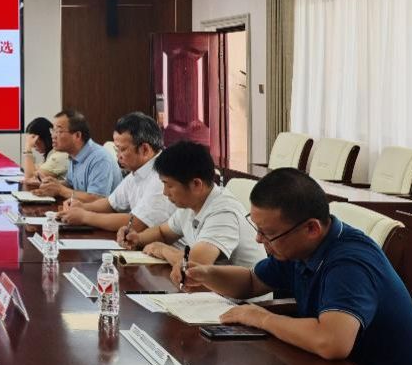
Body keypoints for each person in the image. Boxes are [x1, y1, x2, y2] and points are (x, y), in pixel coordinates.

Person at [185, 168, 412, 365]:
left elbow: (331, 342)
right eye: (257, 229)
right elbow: (251, 281)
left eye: (268, 233)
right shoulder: (299, 247)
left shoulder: (349, 263)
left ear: (311, 228)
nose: (259, 240)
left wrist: (261, 318)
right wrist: (206, 273)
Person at [119, 139, 263, 284]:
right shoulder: (190, 204)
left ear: (196, 184)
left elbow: (195, 265)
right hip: (212, 288)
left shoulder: (223, 212)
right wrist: (137, 238)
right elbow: (162, 233)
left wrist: (163, 250)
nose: (165, 192)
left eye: (169, 185)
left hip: (244, 295)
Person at [59, 112, 175, 232]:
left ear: (145, 149)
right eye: (117, 149)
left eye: (122, 149)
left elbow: (137, 224)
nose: (118, 156)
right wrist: (82, 207)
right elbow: (111, 204)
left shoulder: (162, 176)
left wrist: (84, 216)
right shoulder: (138, 171)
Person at [32, 112, 123, 201]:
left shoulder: (99, 158)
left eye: (59, 131)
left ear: (77, 135)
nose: (53, 136)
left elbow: (97, 199)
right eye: (53, 131)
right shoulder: (74, 154)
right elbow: (71, 184)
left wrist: (60, 190)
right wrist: (53, 184)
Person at [21, 116, 69, 181]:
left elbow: (30, 178)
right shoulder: (51, 154)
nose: (33, 145)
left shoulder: (59, 156)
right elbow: (33, 171)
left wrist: (28, 148)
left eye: (34, 140)